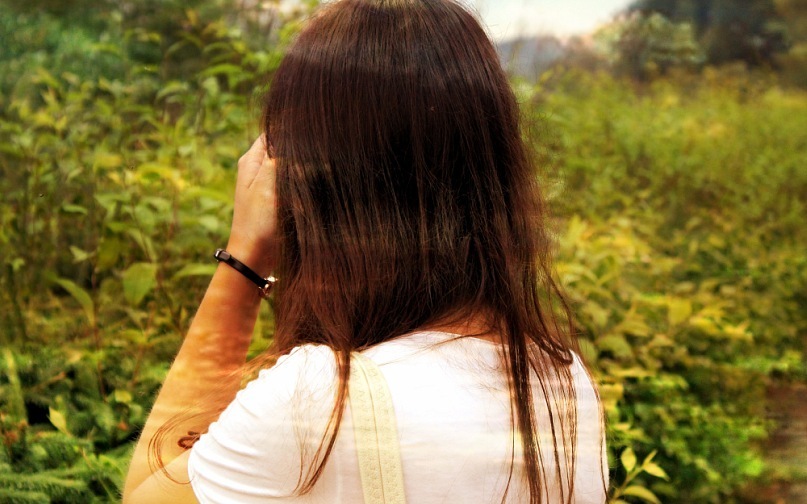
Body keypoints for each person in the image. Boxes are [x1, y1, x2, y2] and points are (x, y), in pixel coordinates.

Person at [123, 0, 609, 502]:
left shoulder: (318, 402)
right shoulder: (566, 386)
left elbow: (143, 493)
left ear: (310, 188)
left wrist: (243, 260)